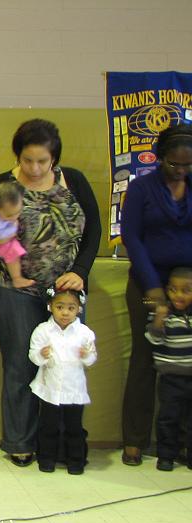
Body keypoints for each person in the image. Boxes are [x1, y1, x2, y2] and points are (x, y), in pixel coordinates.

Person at [0, 118, 101, 467]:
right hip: (12, 289)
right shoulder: (2, 186)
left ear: (54, 158)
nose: (35, 168)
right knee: (23, 363)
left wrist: (79, 271)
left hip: (64, 291)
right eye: (28, 160)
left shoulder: (75, 182)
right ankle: (20, 442)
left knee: (65, 362)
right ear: (18, 157)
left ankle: (62, 446)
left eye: (43, 161)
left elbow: (93, 230)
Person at [120, 124, 192, 466]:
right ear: (160, 158)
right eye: (173, 164)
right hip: (148, 283)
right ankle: (135, 440)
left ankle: (179, 442)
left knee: (187, 365)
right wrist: (154, 290)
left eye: (187, 165)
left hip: (189, 286)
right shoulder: (141, 188)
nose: (180, 171)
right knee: (145, 361)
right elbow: (132, 238)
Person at [29, 288, 97, 474]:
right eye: (60, 307)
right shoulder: (43, 330)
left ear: (79, 310)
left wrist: (86, 356)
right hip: (49, 388)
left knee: (74, 428)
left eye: (71, 308)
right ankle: (46, 460)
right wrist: (41, 355)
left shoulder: (84, 333)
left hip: (74, 390)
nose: (65, 312)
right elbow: (33, 355)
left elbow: (92, 359)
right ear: (50, 307)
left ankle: (76, 461)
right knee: (48, 426)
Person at [145, 266, 192, 472]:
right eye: (173, 290)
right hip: (170, 378)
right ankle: (165, 455)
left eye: (186, 290)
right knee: (168, 418)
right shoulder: (163, 314)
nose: (178, 295)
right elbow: (154, 339)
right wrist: (158, 320)